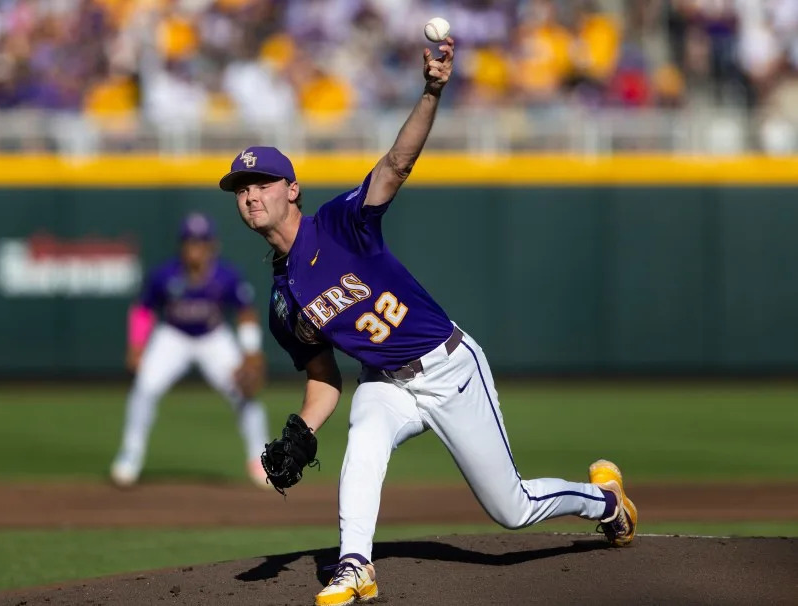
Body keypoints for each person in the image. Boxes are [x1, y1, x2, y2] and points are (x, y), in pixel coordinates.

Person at [219, 37, 637, 606]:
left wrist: (432, 90)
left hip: (448, 367)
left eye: (262, 183)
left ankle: (605, 501)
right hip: (385, 383)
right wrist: (303, 429)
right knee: (363, 438)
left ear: (292, 190)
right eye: (241, 189)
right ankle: (355, 564)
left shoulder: (340, 224)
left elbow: (396, 163)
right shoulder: (281, 303)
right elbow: (323, 376)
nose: (250, 196)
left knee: (510, 509)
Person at [110, 213, 270, 489]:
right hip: (173, 336)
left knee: (245, 392)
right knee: (144, 388)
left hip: (214, 337)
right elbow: (143, 309)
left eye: (201, 242)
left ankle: (262, 461)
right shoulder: (165, 274)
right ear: (182, 246)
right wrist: (137, 346)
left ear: (212, 246)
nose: (195, 248)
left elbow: (245, 312)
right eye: (190, 242)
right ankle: (130, 457)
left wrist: (251, 351)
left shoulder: (226, 275)